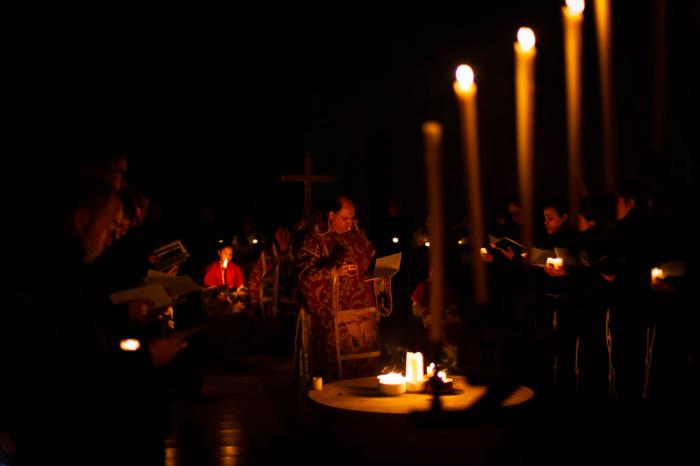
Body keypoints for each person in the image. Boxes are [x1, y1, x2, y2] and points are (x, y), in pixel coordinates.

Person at [2, 175, 187, 466]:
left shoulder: (62, 270)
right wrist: (144, 357)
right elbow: (72, 368)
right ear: (82, 219)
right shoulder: (54, 278)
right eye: (112, 227)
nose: (113, 237)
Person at [295, 194, 383, 381]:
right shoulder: (313, 240)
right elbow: (304, 277)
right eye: (346, 219)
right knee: (337, 370)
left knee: (364, 371)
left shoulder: (357, 238)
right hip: (333, 319)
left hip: (363, 315)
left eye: (353, 218)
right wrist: (334, 272)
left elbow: (369, 262)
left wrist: (378, 276)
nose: (351, 224)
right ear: (331, 216)